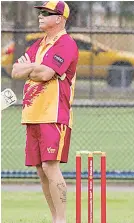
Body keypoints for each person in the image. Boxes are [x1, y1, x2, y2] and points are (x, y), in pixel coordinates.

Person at [11, 1, 78, 223]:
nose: (40, 16)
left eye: (45, 13)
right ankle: (54, 218)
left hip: (54, 114)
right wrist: (33, 69)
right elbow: (15, 70)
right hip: (33, 114)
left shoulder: (66, 44)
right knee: (40, 170)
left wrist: (30, 68)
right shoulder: (39, 45)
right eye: (40, 12)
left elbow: (47, 73)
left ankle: (61, 220)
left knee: (51, 166)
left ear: (59, 18)